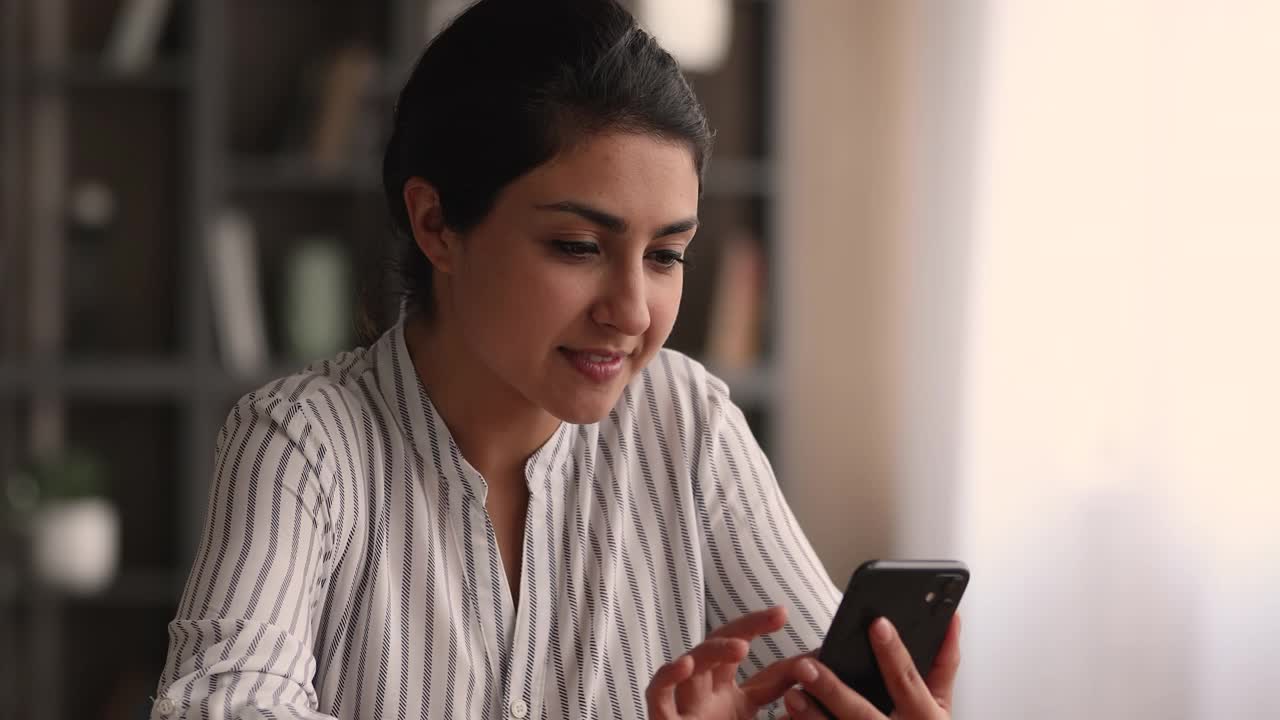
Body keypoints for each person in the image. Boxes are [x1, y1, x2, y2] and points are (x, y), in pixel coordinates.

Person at [152, 1, 961, 718]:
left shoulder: (689, 424)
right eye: (578, 246)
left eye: (666, 255)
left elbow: (819, 683)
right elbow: (221, 705)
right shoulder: (303, 445)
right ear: (437, 225)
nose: (632, 312)